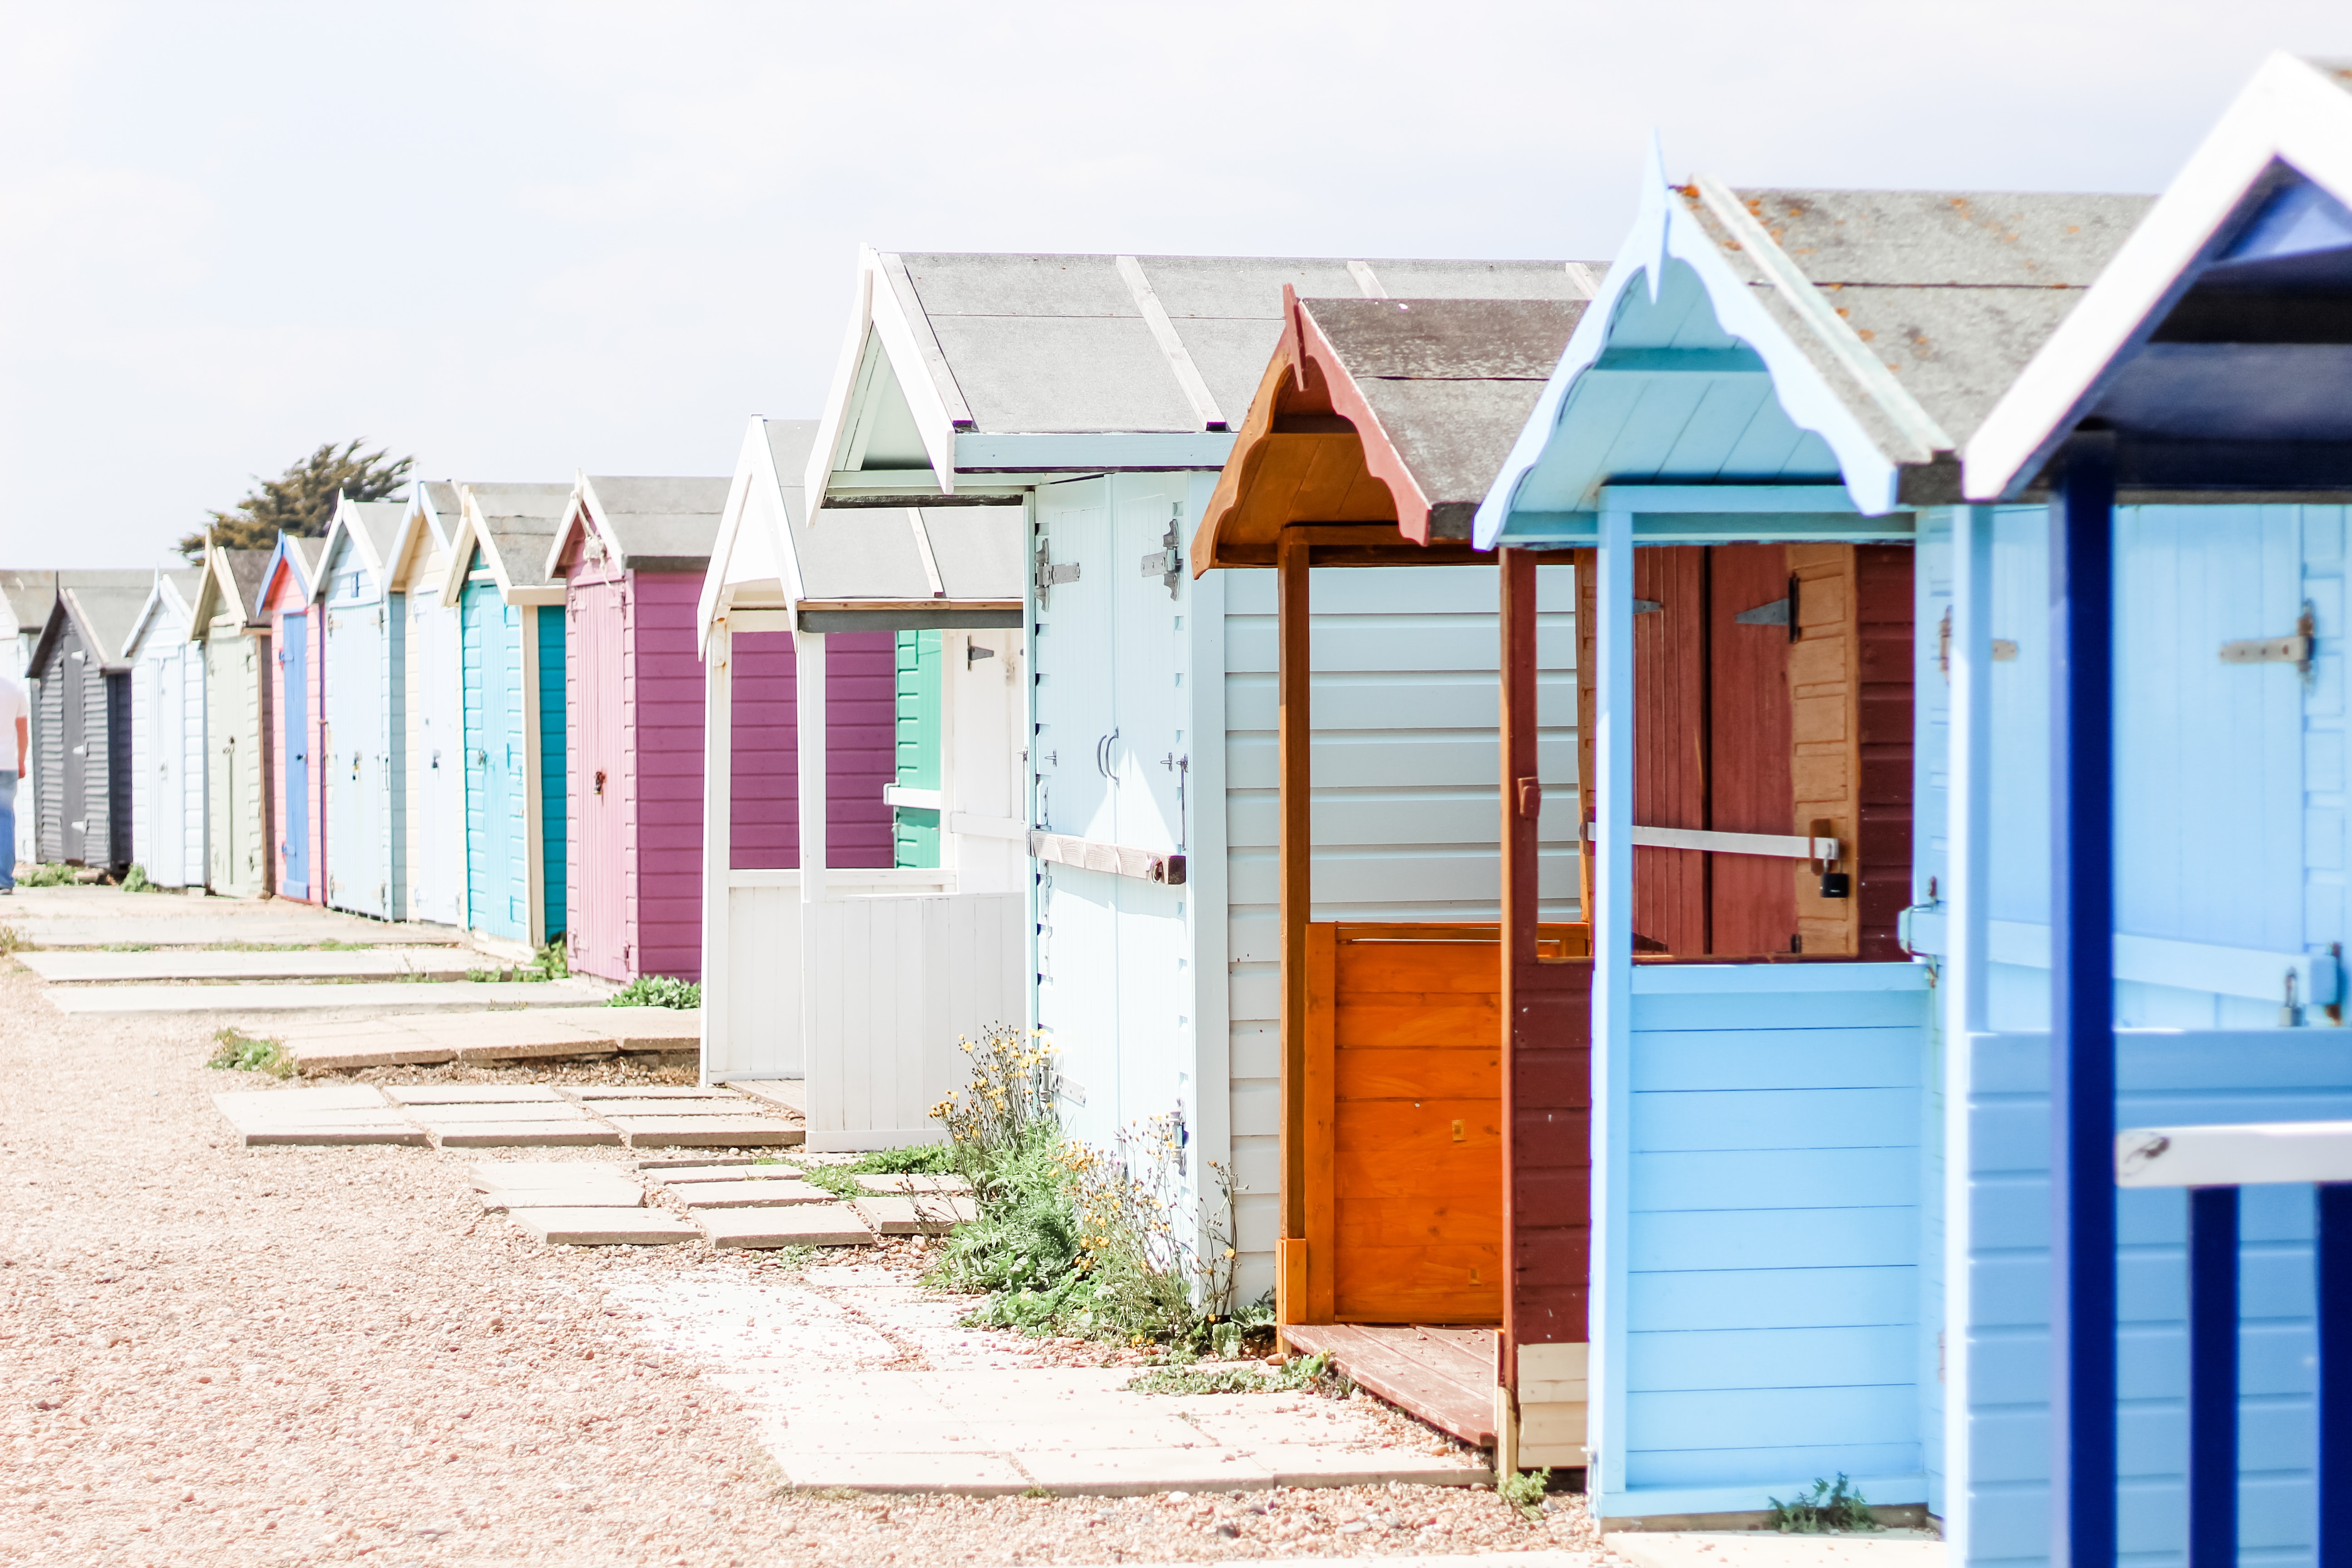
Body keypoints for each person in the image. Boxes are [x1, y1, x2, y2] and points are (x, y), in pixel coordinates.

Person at [0, 672, 24, 893]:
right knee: (5, 821)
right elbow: (23, 732)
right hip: (8, 766)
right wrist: (21, 761)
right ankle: (4, 881)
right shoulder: (14, 690)